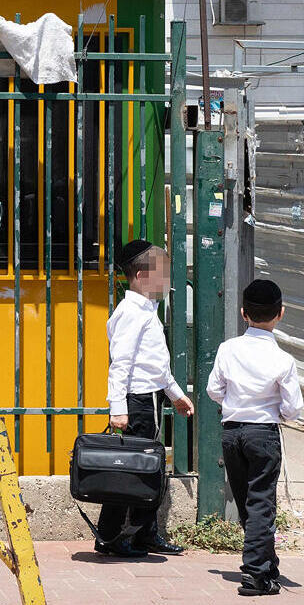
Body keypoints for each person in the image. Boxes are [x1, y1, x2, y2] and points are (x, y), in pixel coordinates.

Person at [206, 279, 304, 596]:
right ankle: (255, 573)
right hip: (263, 433)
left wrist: (234, 405)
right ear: (281, 314)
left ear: (244, 313)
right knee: (262, 502)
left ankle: (266, 566)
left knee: (249, 504)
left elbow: (213, 390)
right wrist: (275, 412)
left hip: (232, 433)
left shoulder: (228, 349)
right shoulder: (283, 360)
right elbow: (293, 408)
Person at [97, 239, 193, 558]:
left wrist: (176, 395)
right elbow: (120, 363)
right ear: (140, 276)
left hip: (150, 398)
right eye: (162, 273)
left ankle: (143, 533)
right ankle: (110, 537)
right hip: (136, 401)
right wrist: (118, 409)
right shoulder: (130, 313)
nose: (167, 280)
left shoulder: (147, 310)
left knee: (148, 468)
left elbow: (156, 364)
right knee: (131, 470)